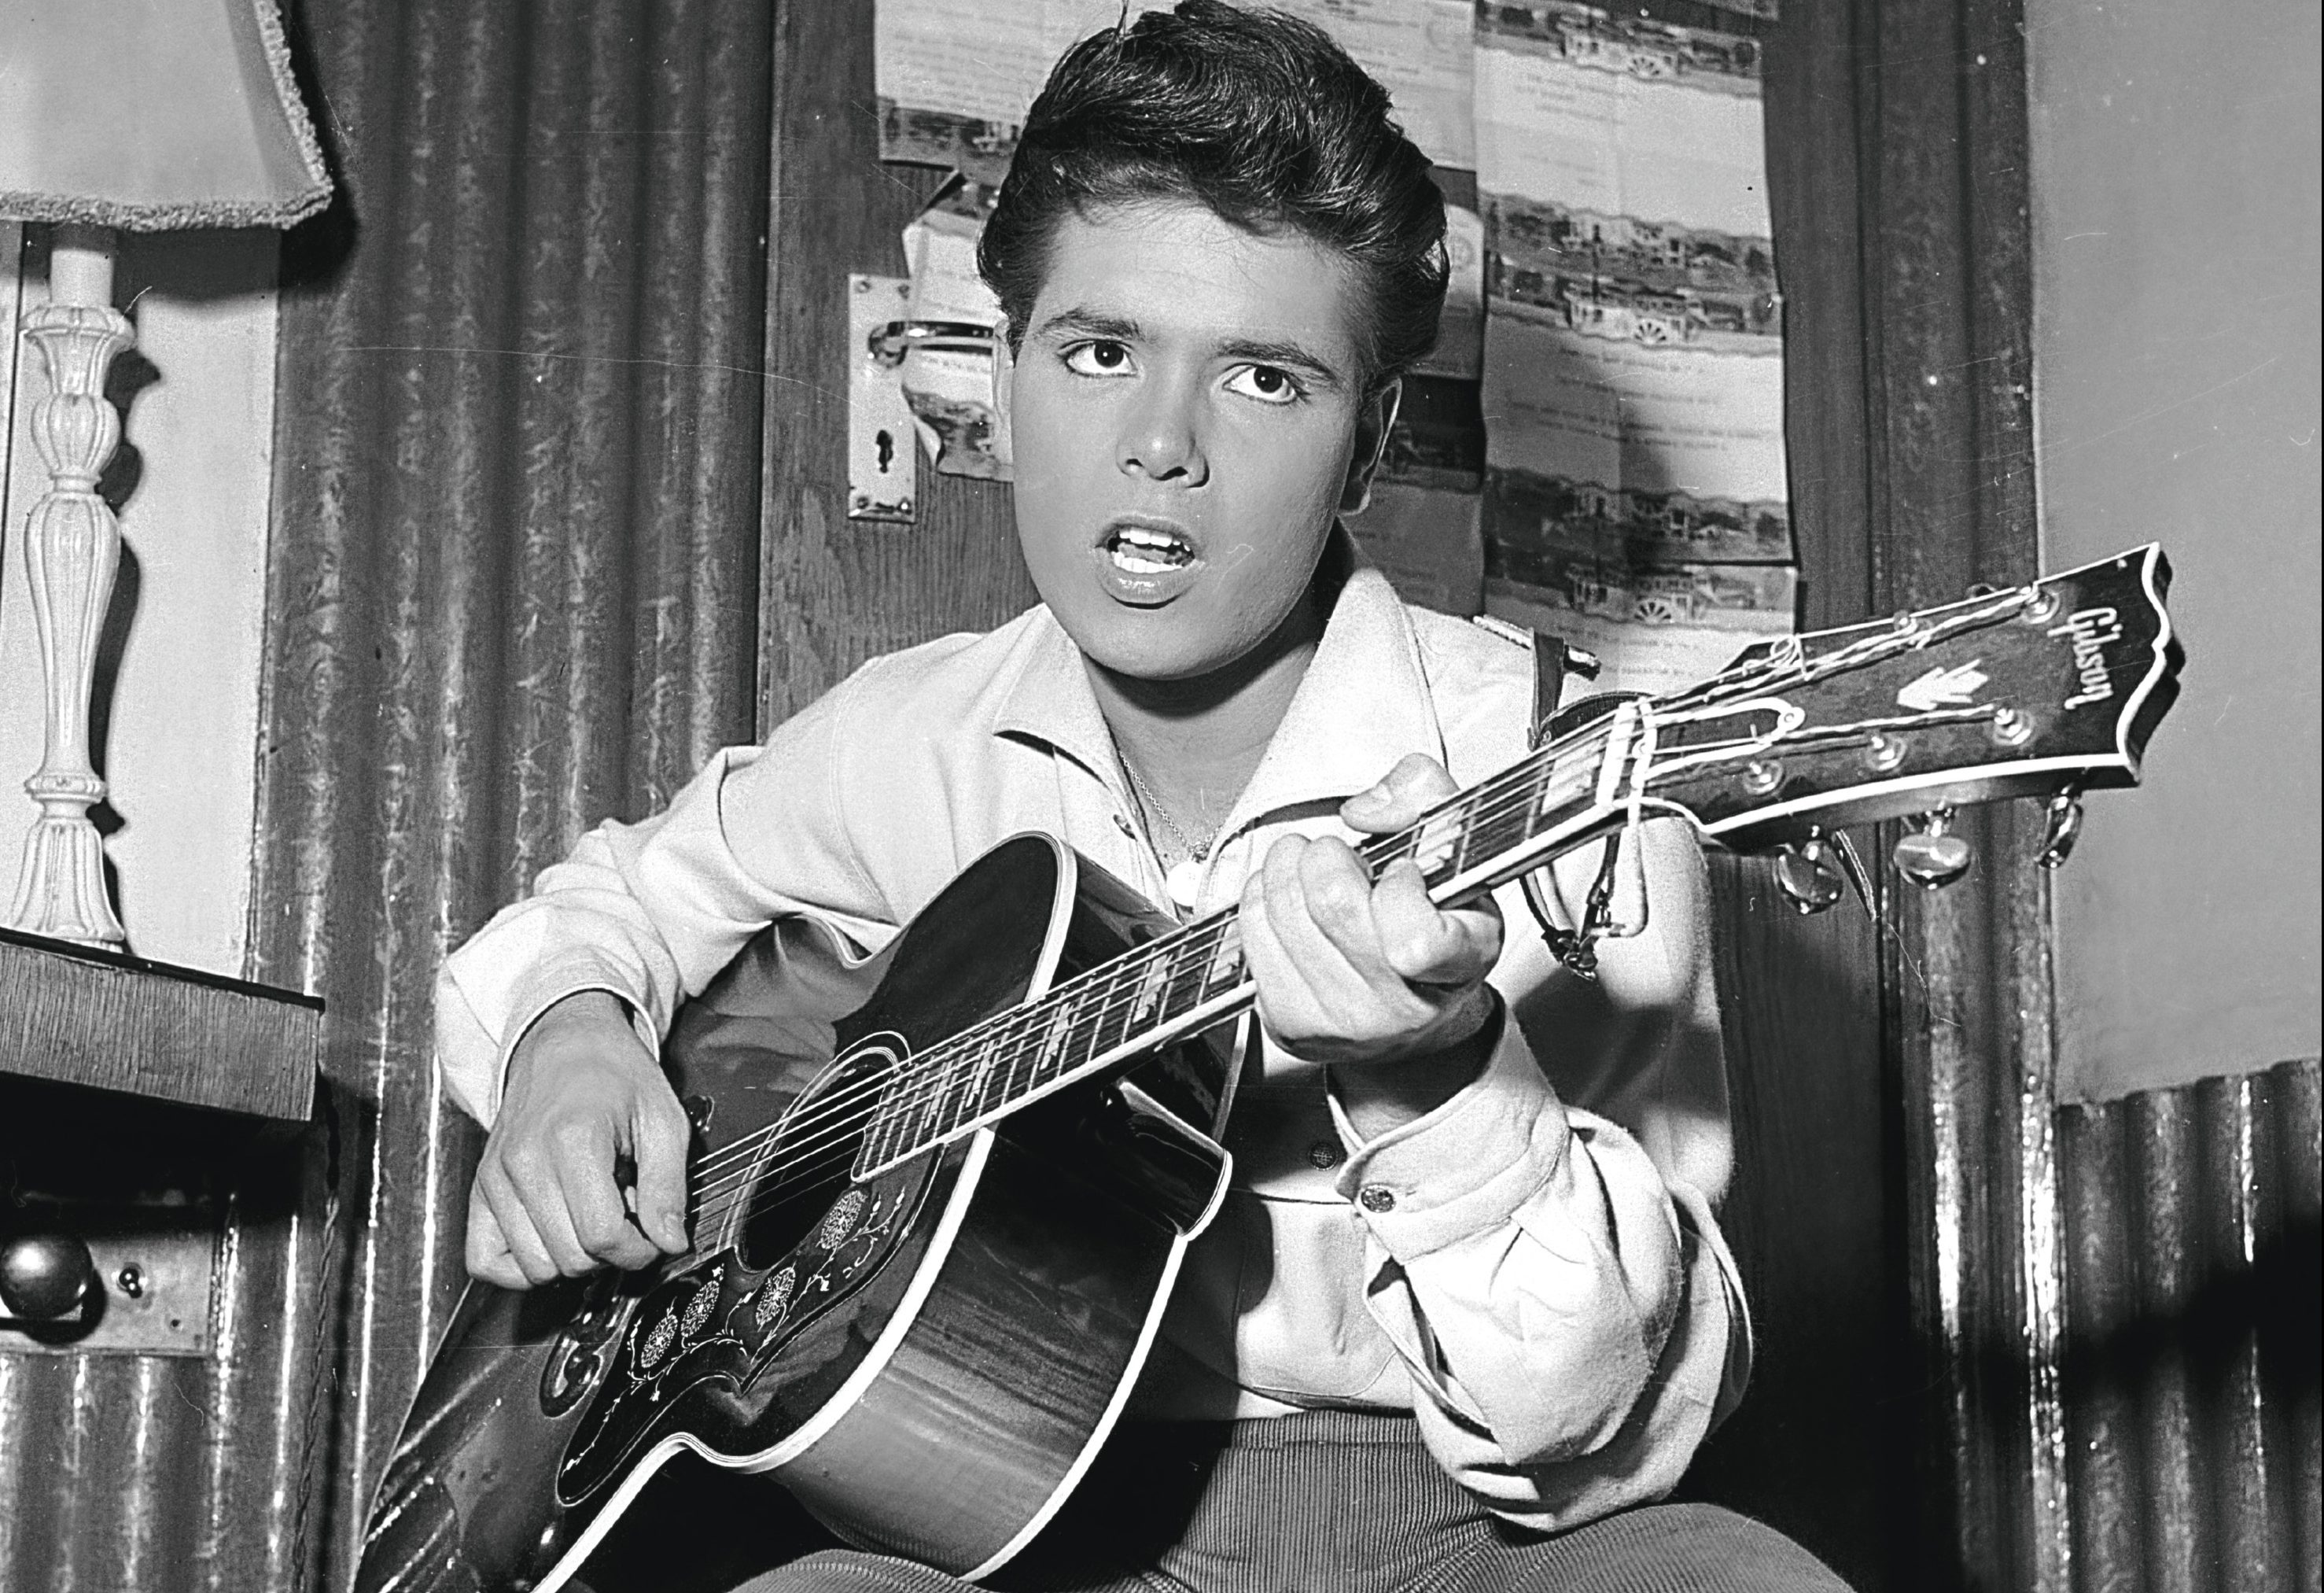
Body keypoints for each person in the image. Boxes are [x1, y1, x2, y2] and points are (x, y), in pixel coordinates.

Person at [436, 5, 1851, 1589]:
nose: (1158, 446)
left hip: (1469, 1538)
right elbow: (622, 892)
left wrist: (1435, 1078)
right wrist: (569, 1030)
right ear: (1008, 373)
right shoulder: (916, 734)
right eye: (1099, 352)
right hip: (1006, 1516)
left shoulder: (1566, 780)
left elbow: (1608, 1437)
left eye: (1259, 378)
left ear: (1366, 444)